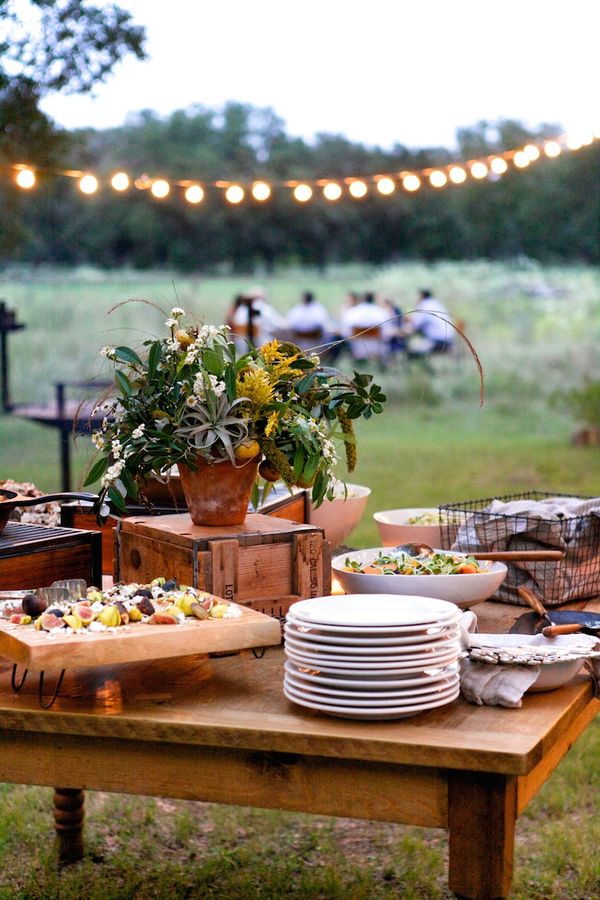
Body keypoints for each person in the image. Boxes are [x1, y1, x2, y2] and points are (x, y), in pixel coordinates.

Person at [340, 291, 391, 362]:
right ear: (373, 299)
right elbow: (387, 334)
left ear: (361, 299)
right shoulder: (381, 312)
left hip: (357, 350)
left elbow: (345, 334)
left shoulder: (352, 312)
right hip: (378, 350)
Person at [406, 289, 455, 356]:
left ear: (421, 296)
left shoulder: (424, 305)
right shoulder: (436, 304)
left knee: (410, 352)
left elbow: (414, 325)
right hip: (449, 340)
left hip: (437, 341)